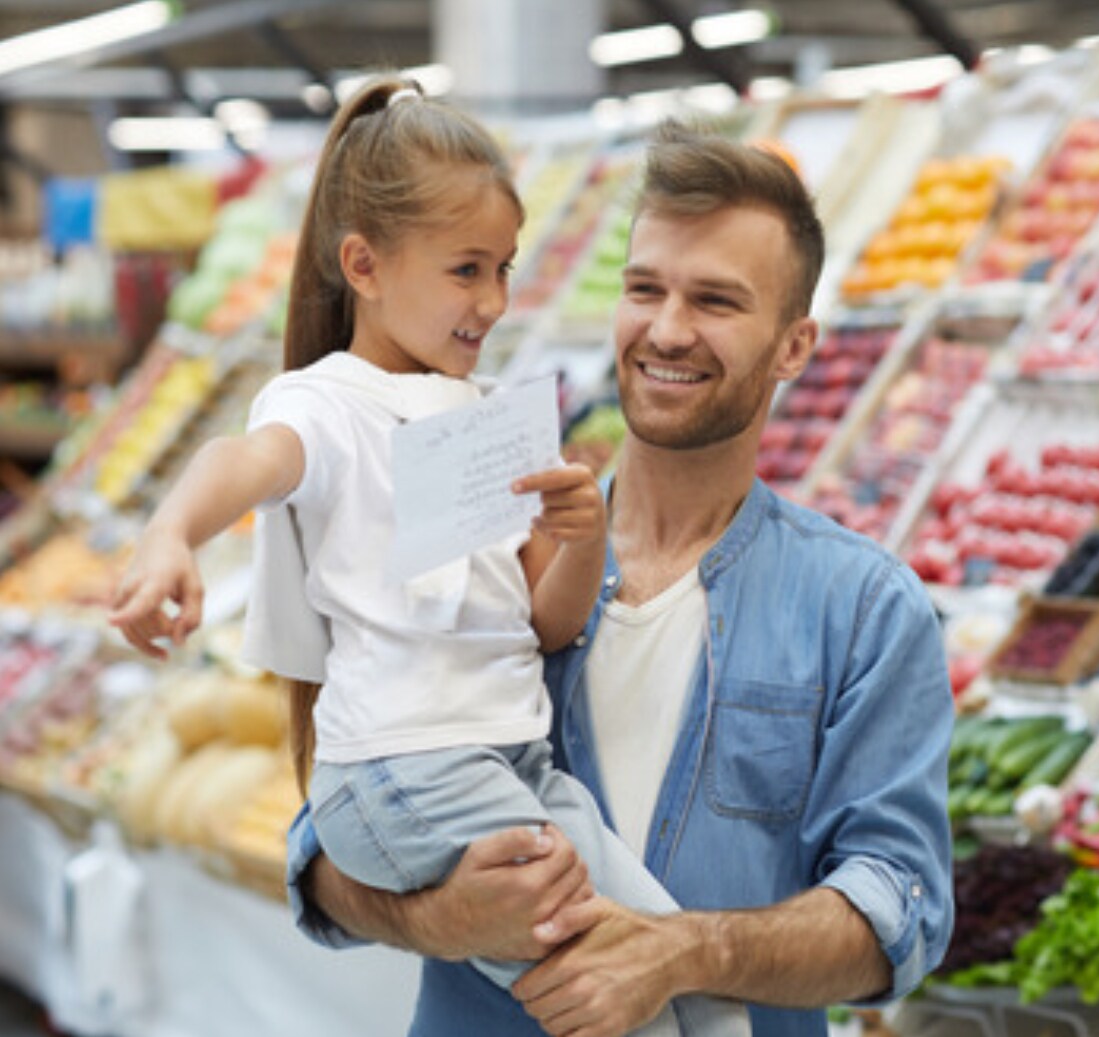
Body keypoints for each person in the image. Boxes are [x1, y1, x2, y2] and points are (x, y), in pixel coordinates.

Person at [108, 77, 747, 1037]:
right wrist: (168, 536)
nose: (492, 300)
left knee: (688, 974)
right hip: (408, 772)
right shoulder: (325, 405)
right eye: (465, 270)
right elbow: (241, 462)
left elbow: (547, 624)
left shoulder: (487, 419)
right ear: (363, 264)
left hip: (517, 765)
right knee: (628, 1008)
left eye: (505, 268)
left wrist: (584, 538)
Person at [290, 119, 956, 1037]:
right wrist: (437, 918)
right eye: (645, 288)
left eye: (717, 301)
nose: (668, 330)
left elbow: (900, 907)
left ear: (795, 346)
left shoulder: (865, 609)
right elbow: (326, 841)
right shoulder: (487, 538)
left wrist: (685, 950)